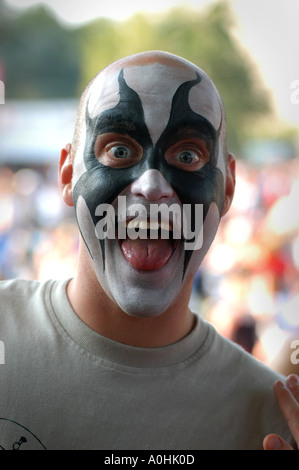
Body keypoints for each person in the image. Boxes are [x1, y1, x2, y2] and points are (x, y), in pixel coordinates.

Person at [0, 50, 298, 450]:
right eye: (119, 150)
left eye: (188, 156)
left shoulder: (270, 421)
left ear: (227, 189)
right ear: (69, 175)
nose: (152, 186)